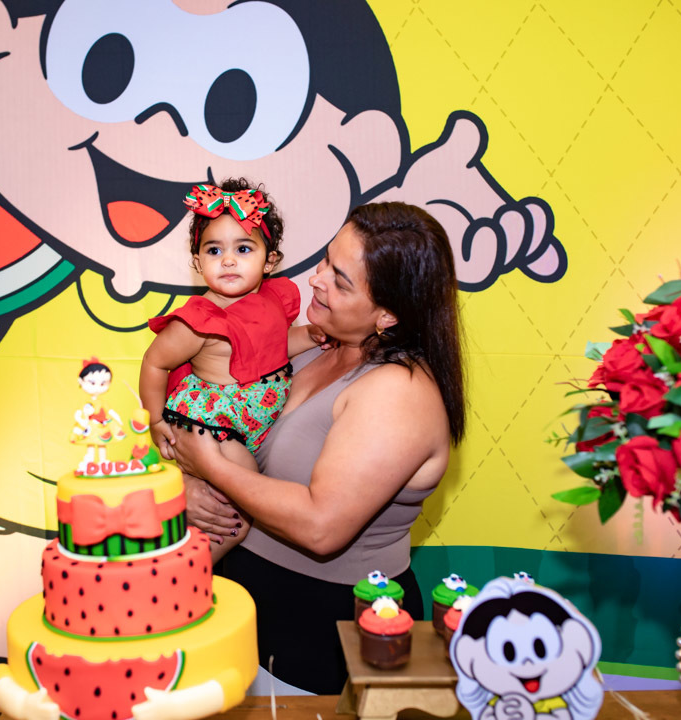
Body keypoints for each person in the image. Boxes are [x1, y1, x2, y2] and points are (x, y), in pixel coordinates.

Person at [170, 201, 466, 694]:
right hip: (241, 599)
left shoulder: (399, 391)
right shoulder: (313, 348)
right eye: (326, 260)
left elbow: (321, 527)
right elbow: (222, 428)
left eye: (340, 281)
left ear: (388, 314)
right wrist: (187, 482)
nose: (316, 279)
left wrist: (211, 468)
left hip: (324, 626)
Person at [139, 179, 322, 562]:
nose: (227, 260)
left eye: (243, 248)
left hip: (245, 424)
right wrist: (155, 420)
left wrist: (311, 335)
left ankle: (177, 556)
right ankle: (193, 569)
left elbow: (274, 348)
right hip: (212, 422)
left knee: (220, 498)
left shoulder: (271, 300)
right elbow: (155, 362)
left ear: (270, 260)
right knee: (240, 498)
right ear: (197, 261)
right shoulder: (198, 320)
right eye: (214, 250)